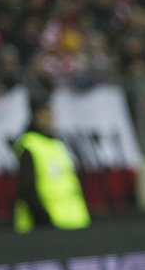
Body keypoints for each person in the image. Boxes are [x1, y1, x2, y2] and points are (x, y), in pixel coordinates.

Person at [12, 95, 91, 233]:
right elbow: (26, 188)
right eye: (44, 113)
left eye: (51, 112)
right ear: (34, 116)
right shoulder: (29, 145)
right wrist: (44, 220)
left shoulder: (57, 144)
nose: (49, 117)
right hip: (46, 226)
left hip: (74, 221)